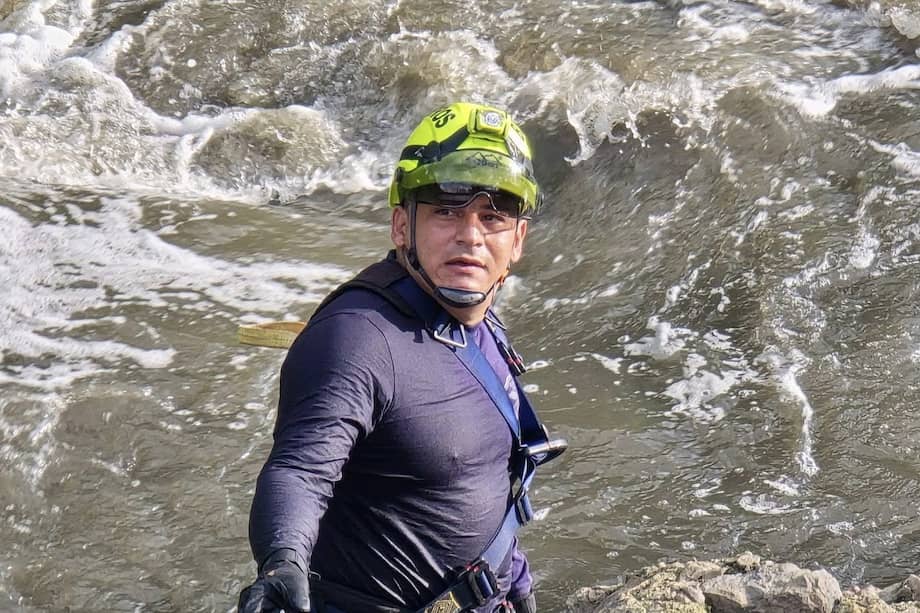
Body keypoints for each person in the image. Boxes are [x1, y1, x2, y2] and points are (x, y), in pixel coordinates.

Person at [238, 102, 566, 613]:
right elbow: (300, 471)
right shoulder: (358, 339)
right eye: (446, 211)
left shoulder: (478, 324)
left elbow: (483, 479)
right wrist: (283, 562)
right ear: (401, 226)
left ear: (517, 240)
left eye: (493, 217)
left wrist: (518, 587)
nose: (471, 236)